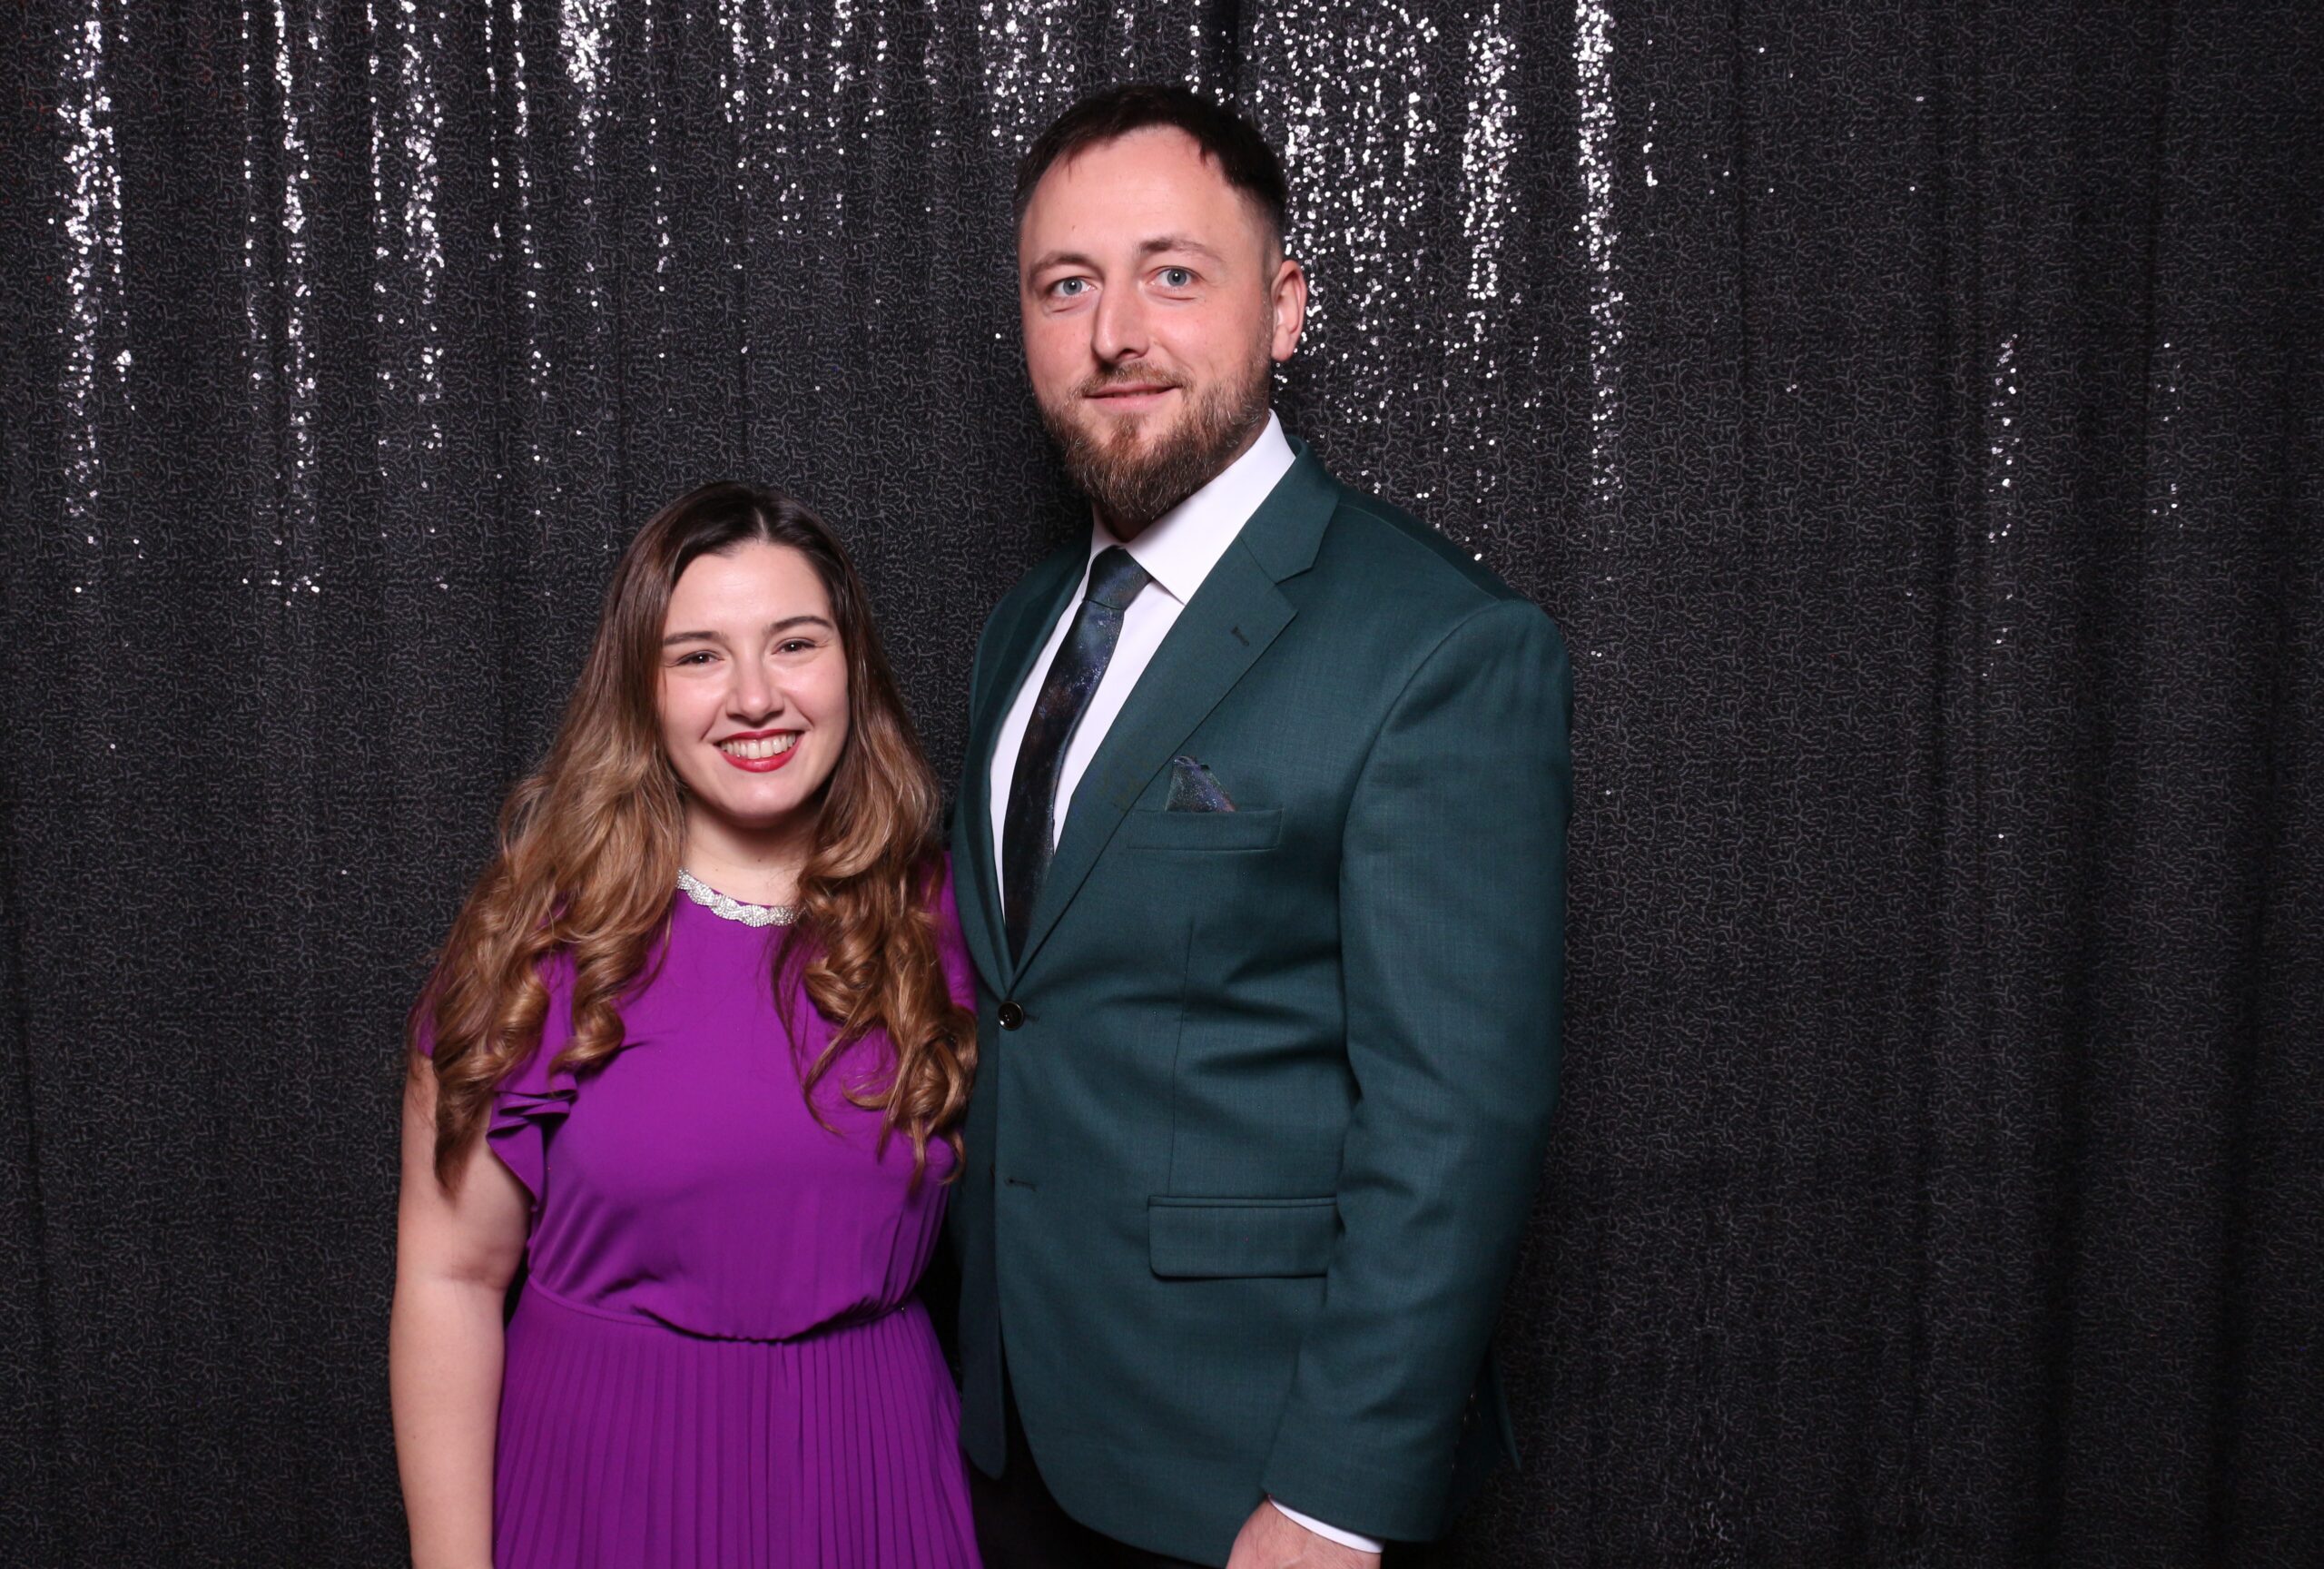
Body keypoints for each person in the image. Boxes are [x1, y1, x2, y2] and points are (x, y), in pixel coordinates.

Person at [947, 85, 1574, 1569]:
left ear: (1283, 307)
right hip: (1016, 1438)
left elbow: (1453, 1117)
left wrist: (1332, 1500)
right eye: (1065, 285)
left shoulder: (1436, 645)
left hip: (1255, 1480)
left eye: (1174, 274)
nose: (1115, 332)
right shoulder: (1023, 630)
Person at [390, 482, 981, 1568]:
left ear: (852, 667)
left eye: (794, 644)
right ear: (641, 691)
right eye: (698, 656)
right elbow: (450, 1280)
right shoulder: (541, 937)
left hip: (872, 1477)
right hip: (601, 1489)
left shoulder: (945, 918)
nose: (754, 697)